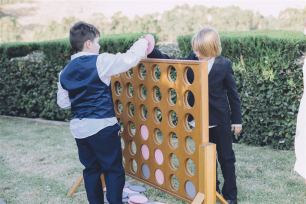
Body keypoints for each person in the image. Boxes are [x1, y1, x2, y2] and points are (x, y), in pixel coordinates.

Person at [56, 21, 153, 204]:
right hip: (102, 126)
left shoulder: (64, 73)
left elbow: (63, 103)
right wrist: (143, 41)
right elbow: (129, 59)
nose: (99, 46)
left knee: (91, 170)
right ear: (89, 44)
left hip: (79, 129)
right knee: (113, 170)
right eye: (97, 42)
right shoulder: (100, 61)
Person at [148, 27, 242, 204]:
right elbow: (170, 61)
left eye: (199, 50)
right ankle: (211, 190)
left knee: (226, 158)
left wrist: (237, 120)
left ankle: (230, 196)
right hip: (197, 121)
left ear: (211, 48)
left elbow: (233, 95)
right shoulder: (192, 60)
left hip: (219, 121)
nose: (195, 52)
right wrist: (152, 50)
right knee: (206, 160)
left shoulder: (224, 65)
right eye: (194, 48)